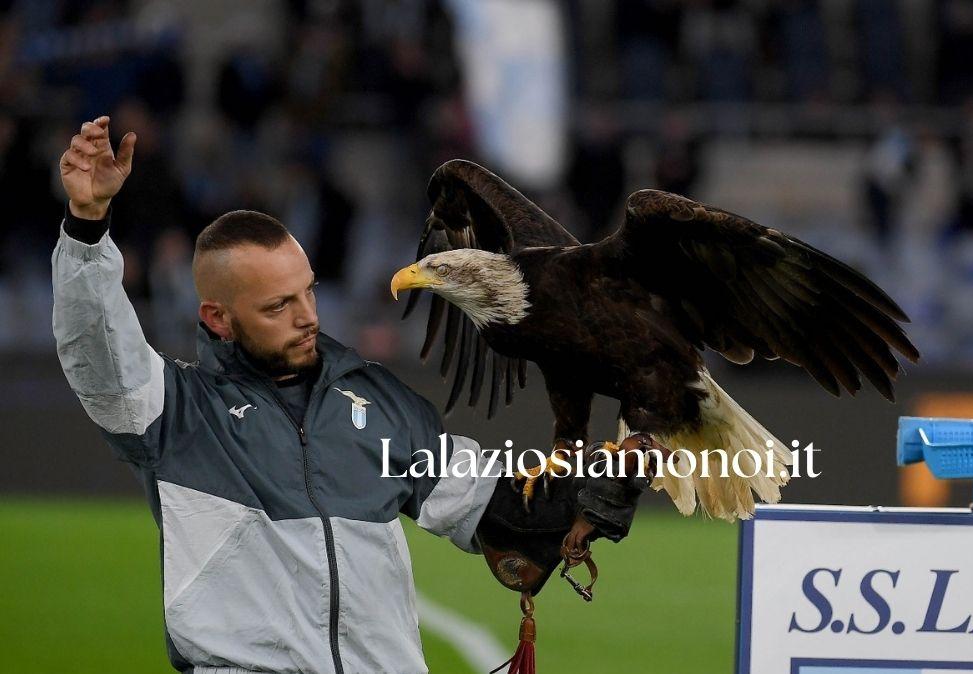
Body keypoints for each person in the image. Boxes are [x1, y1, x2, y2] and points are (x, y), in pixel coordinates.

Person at [52, 116, 646, 673]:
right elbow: (94, 346)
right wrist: (87, 225)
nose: (307, 317)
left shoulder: (378, 401)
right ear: (218, 318)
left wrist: (577, 489)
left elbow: (487, 502)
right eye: (277, 306)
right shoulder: (171, 412)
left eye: (307, 292)